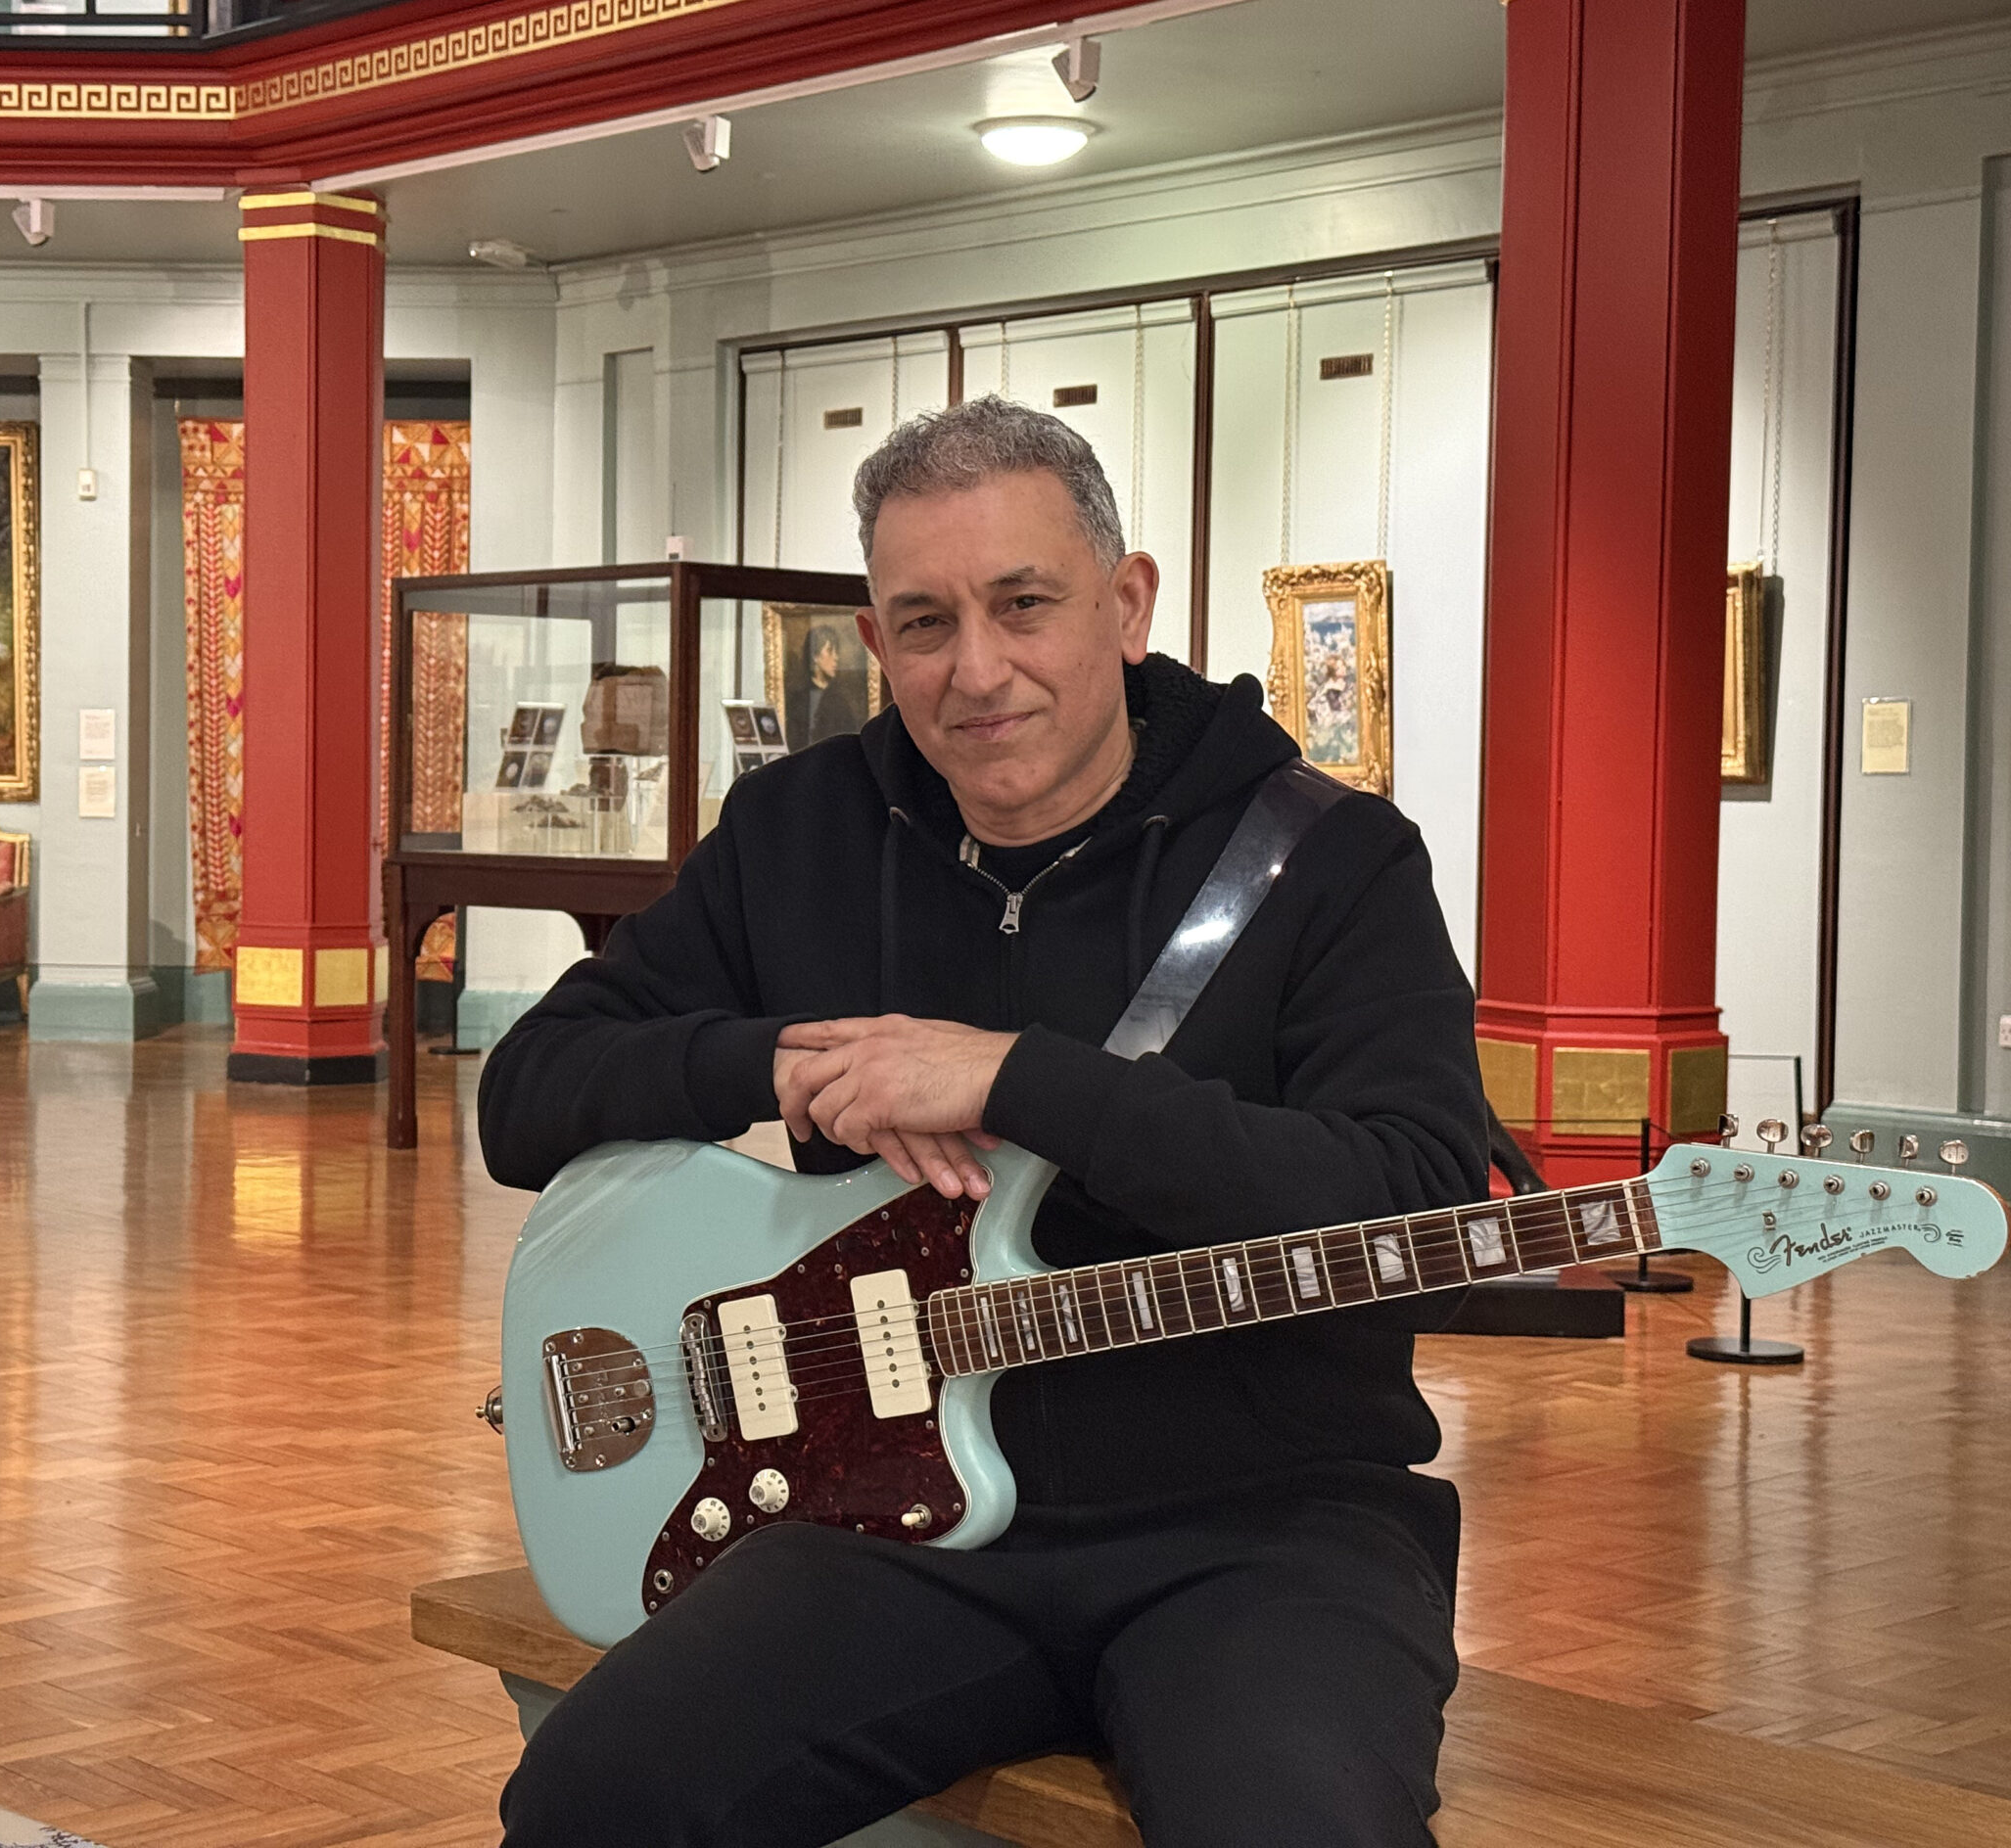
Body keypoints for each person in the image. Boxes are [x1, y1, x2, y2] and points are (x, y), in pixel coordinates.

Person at [478, 395, 1487, 1846]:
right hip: (886, 1517)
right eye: (926, 623)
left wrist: (1021, 1079)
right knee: (593, 1797)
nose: (979, 669)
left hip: (1267, 1528)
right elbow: (530, 1093)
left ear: (1126, 605)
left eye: (1026, 605)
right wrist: (788, 1062)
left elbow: (1427, 1201)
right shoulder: (798, 833)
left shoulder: (1334, 862)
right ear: (876, 646)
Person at [788, 622, 866, 749]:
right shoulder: (797, 700)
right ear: (815, 656)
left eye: (837, 651)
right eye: (830, 651)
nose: (836, 657)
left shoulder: (840, 702)